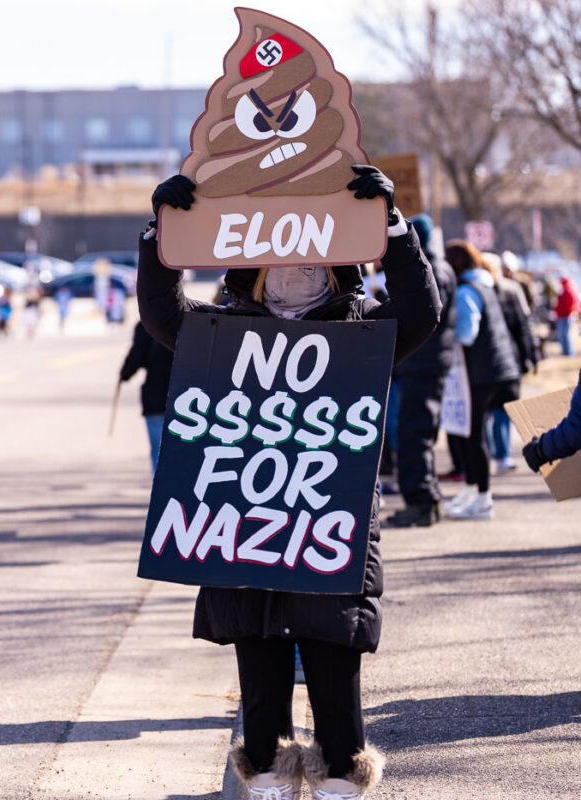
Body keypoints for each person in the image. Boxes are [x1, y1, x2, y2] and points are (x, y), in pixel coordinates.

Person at [140, 167, 439, 800]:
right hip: (248, 534)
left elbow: (421, 312)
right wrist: (162, 237)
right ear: (251, 272)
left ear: (335, 270)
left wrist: (392, 227)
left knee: (336, 676)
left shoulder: (359, 331)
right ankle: (270, 785)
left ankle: (339, 785)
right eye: (277, 267)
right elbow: (162, 313)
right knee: (260, 681)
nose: (293, 275)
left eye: (309, 266)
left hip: (330, 527)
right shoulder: (223, 333)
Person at [384, 214, 457, 527]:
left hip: (423, 363)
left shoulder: (433, 272)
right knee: (418, 432)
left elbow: (423, 314)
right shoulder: (442, 268)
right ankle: (424, 499)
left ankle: (421, 501)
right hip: (428, 363)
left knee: (414, 433)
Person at [441, 241, 521, 520]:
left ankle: (483, 497)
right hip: (494, 368)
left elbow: (466, 334)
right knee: (470, 433)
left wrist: (442, 339)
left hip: (482, 371)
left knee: (473, 435)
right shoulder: (485, 285)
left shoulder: (466, 292)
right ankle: (473, 488)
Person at [485, 252, 538, 472]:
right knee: (493, 411)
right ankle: (495, 455)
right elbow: (523, 327)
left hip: (502, 361)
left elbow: (523, 327)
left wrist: (529, 356)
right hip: (499, 361)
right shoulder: (499, 290)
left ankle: (497, 454)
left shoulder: (510, 290)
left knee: (496, 410)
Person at [118, 321, 173, 470]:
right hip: (185, 396)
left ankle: (160, 489)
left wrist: (124, 374)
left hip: (155, 394)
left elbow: (136, 355)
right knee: (180, 449)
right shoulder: (184, 321)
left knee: (158, 450)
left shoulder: (146, 325)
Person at [553, 275, 578, 356]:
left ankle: (569, 352)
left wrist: (569, 311)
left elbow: (568, 304)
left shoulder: (567, 289)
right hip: (563, 315)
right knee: (563, 335)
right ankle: (566, 352)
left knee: (566, 335)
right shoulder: (564, 289)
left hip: (566, 315)